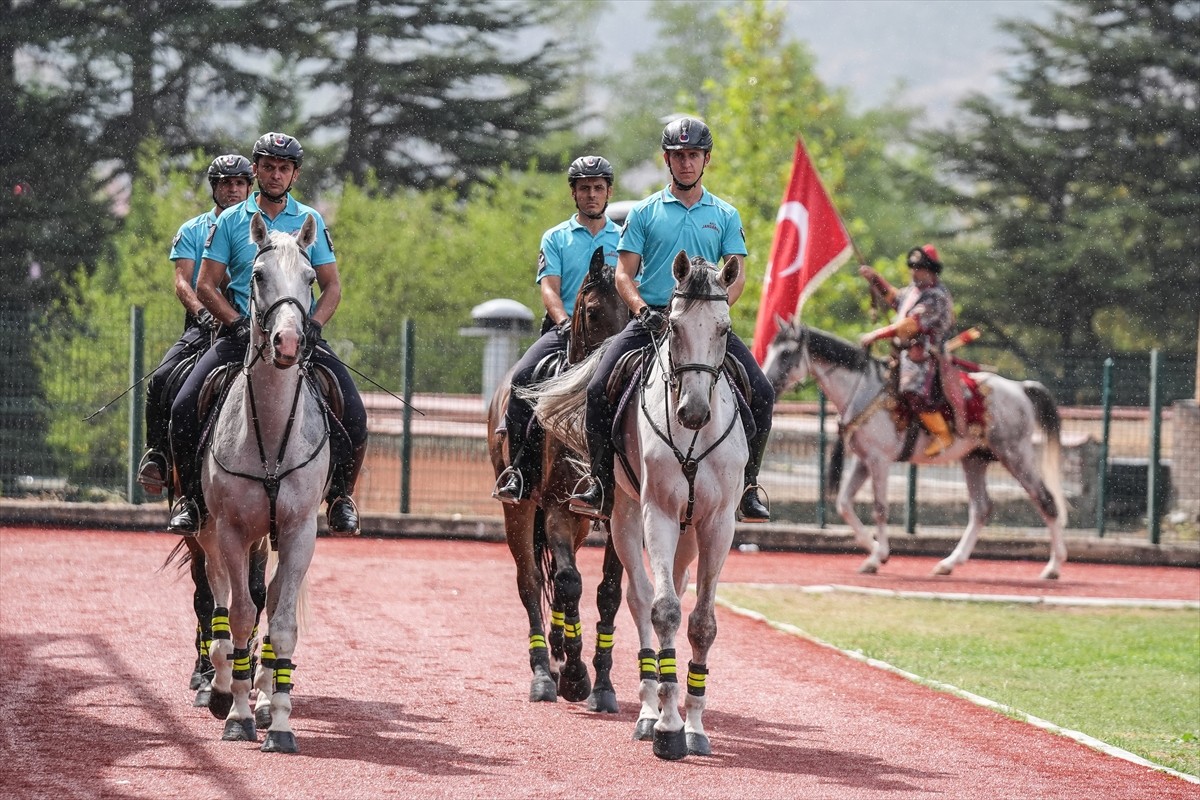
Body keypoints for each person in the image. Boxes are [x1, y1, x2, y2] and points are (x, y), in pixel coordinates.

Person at [568, 117, 774, 522]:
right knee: (596, 390)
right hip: (653, 317)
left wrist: (713, 313)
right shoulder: (644, 212)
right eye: (678, 156)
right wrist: (643, 311)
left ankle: (748, 488)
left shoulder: (727, 215)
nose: (685, 163)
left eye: (693, 155)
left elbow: (739, 275)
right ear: (667, 159)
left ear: (706, 159)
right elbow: (624, 273)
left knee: (763, 392)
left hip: (705, 323)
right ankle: (599, 485)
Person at [166, 132, 368, 536]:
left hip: (298, 335)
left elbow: (331, 287)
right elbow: (206, 283)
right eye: (269, 167)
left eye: (284, 168)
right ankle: (189, 499)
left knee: (355, 411)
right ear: (255, 170)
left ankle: (342, 497)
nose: (276, 175)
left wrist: (313, 326)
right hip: (241, 335)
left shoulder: (310, 220)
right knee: (183, 408)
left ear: (294, 174)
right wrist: (235, 322)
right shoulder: (229, 221)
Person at [493, 156, 622, 503]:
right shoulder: (555, 237)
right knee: (521, 380)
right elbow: (549, 288)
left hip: (615, 336)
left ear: (609, 192)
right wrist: (564, 322)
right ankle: (518, 471)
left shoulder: (624, 239)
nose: (591, 195)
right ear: (573, 193)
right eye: (584, 189)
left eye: (598, 188)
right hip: (564, 331)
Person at [137, 155, 253, 495]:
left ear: (249, 187)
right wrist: (202, 312)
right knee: (160, 379)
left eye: (239, 184)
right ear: (214, 188)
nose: (232, 190)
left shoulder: (263, 228)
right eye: (225, 184)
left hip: (255, 325)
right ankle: (158, 455)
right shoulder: (193, 229)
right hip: (206, 326)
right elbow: (182, 281)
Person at [858, 244, 961, 456]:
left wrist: (875, 335)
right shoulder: (914, 292)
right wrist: (875, 279)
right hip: (904, 354)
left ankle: (942, 434)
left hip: (926, 357)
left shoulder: (936, 296)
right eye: (912, 266)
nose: (914, 271)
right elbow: (894, 298)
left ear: (931, 270)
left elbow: (910, 325)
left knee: (911, 389)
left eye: (919, 267)